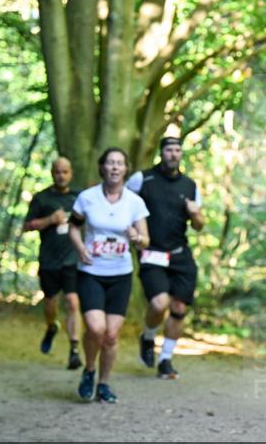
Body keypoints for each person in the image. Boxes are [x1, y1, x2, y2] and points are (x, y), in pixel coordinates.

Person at [69, 148, 150, 403]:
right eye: (110, 163)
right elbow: (73, 226)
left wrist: (137, 238)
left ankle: (103, 384)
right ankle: (89, 370)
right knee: (96, 328)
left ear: (126, 169)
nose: (114, 167)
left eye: (119, 164)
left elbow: (145, 240)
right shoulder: (87, 198)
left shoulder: (134, 202)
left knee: (111, 335)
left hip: (120, 274)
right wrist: (80, 247)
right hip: (91, 271)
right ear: (102, 167)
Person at [127, 136, 204, 379]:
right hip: (151, 252)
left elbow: (200, 225)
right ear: (162, 152)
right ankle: (148, 337)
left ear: (181, 154)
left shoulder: (190, 185)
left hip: (180, 255)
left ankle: (166, 359)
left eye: (177, 150)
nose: (173, 154)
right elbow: (124, 206)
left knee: (179, 308)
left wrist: (195, 214)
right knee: (159, 304)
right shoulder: (142, 179)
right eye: (169, 150)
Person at [23, 157, 83, 370]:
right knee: (50, 304)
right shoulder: (42, 198)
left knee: (73, 302)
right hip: (49, 260)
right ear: (52, 173)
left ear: (71, 173)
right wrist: (49, 220)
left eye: (65, 172)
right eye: (58, 171)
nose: (61, 175)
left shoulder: (79, 197)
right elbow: (27, 226)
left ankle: (74, 350)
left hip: (72, 259)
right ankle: (51, 327)